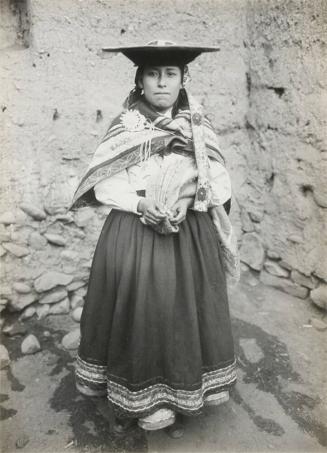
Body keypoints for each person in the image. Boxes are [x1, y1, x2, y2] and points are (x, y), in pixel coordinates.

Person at [71, 40, 239, 436]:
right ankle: (142, 397)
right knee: (142, 309)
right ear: (140, 80)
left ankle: (184, 389)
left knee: (184, 309)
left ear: (183, 79)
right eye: (152, 74)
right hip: (135, 231)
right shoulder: (125, 127)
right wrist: (140, 205)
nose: (161, 83)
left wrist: (189, 200)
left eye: (170, 75)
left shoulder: (198, 128)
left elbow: (219, 183)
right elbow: (105, 185)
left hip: (188, 233)